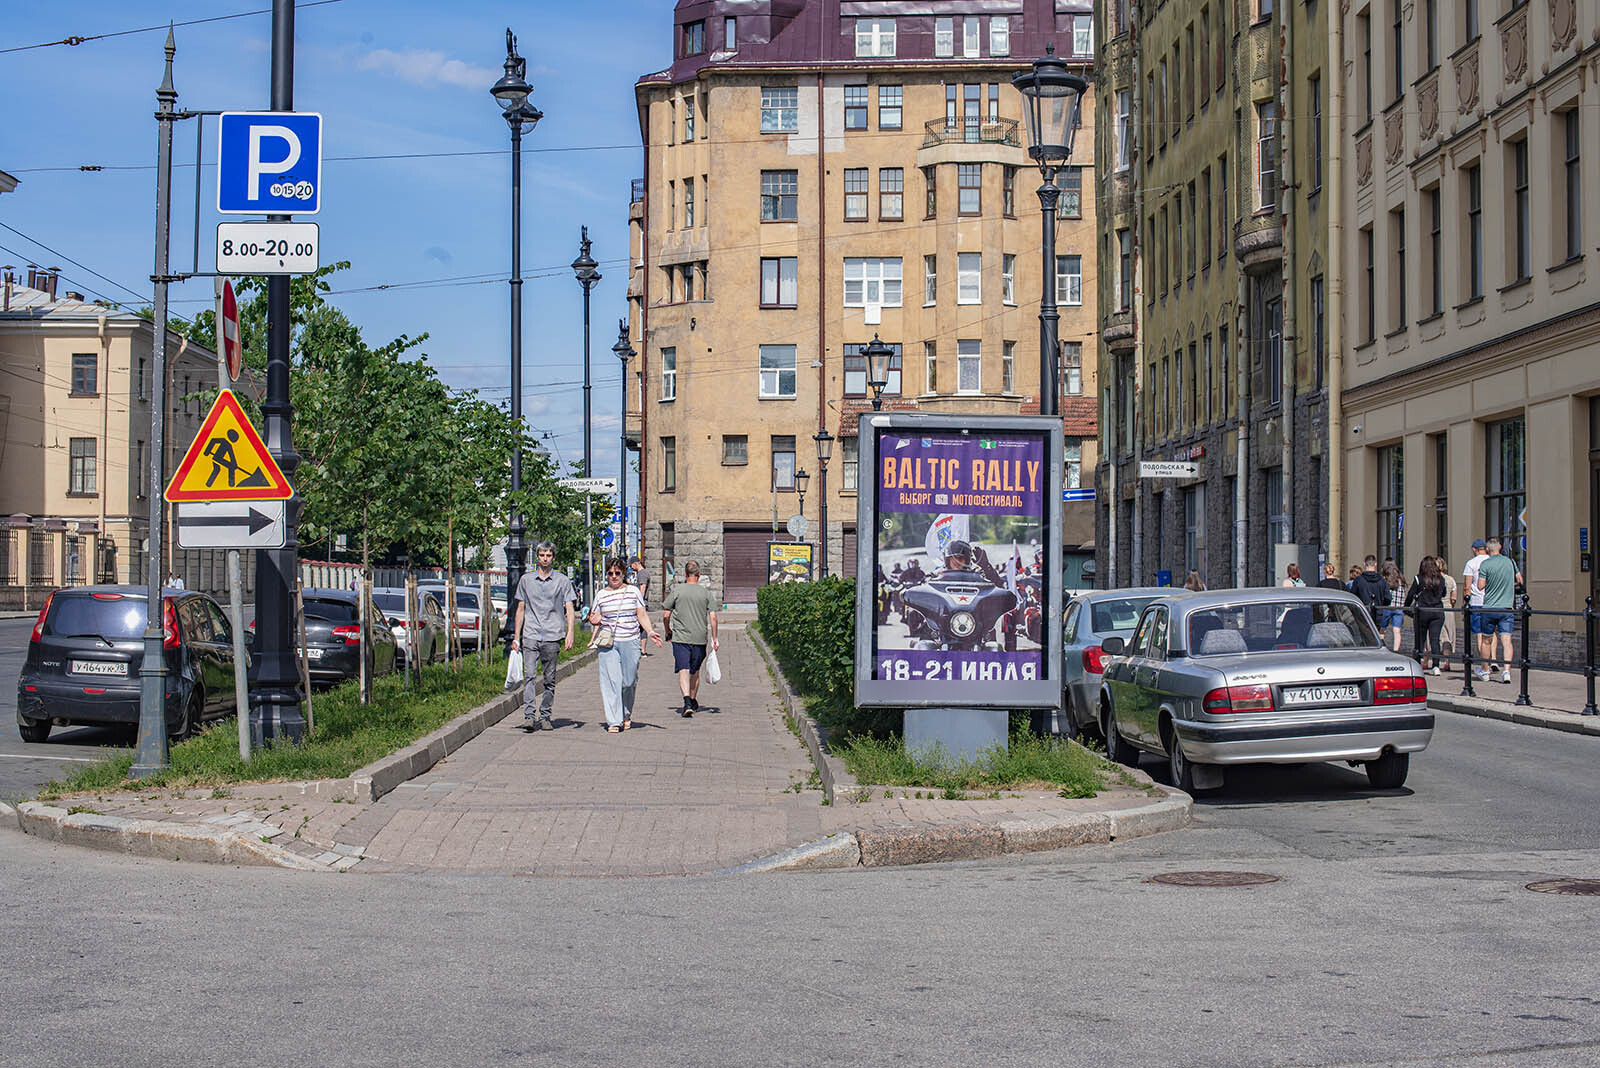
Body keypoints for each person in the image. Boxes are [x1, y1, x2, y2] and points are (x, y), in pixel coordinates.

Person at [590, 557, 663, 732]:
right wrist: (595, 619)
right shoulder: (601, 594)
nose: (614, 576)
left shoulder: (633, 591)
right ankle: (614, 721)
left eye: (617, 573)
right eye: (610, 573)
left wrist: (650, 631)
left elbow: (641, 614)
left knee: (629, 681)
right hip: (608, 643)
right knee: (611, 681)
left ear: (624, 574)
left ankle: (626, 713)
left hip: (630, 641)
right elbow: (593, 616)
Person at [511, 540, 576, 731]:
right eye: (542, 555)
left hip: (552, 635)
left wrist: (570, 632)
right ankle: (529, 716)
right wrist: (516, 637)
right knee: (529, 675)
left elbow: (569, 608)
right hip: (530, 634)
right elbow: (520, 609)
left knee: (549, 679)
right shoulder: (526, 580)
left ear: (553, 558)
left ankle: (546, 715)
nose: (545, 559)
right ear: (537, 558)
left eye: (548, 555)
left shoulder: (562, 581)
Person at [662, 560, 718, 717]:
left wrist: (668, 631)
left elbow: (666, 615)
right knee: (695, 671)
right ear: (699, 575)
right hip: (700, 638)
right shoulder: (706, 593)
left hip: (680, 638)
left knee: (683, 670)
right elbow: (713, 618)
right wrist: (715, 638)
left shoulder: (677, 591)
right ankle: (692, 700)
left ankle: (687, 701)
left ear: (685, 574)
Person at [1476, 537, 1523, 683]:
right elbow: (1520, 580)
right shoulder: (1510, 562)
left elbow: (1480, 586)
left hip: (1489, 607)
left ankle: (1484, 671)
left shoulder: (1485, 564)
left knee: (1486, 640)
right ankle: (1507, 671)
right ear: (1500, 547)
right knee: (1507, 640)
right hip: (1507, 607)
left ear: (1488, 549)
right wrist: (1509, 584)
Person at [1404, 555, 1446, 674]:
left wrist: (1406, 607)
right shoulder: (1440, 579)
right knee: (1435, 639)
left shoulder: (1419, 579)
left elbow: (1411, 594)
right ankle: (1436, 666)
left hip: (1422, 611)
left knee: (1420, 640)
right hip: (1437, 611)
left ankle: (1417, 664)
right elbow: (1444, 593)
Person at [1462, 539, 1490, 677]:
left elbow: (1467, 586)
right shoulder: (1491, 561)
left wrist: (1465, 602)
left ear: (1474, 549)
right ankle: (1492, 660)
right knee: (1492, 634)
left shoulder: (1471, 563)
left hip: (1477, 601)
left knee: (1479, 634)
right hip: (1491, 602)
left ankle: (1484, 664)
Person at [628, 556, 653, 656]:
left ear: (635, 563)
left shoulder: (642, 573)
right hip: (642, 603)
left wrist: (639, 603)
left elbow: (642, 588)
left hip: (641, 603)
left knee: (641, 626)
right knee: (640, 626)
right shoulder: (642, 573)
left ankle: (642, 650)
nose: (631, 567)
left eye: (631, 565)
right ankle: (640, 650)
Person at [1436, 556, 1458, 671]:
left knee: (1438, 635)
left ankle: (1432, 660)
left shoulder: (1433, 580)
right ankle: (1447, 661)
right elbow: (1454, 598)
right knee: (1449, 636)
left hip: (1437, 608)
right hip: (1448, 609)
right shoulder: (1451, 580)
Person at [1379, 561, 1406, 652]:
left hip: (1387, 607)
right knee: (1397, 631)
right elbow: (1403, 594)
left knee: (1382, 629)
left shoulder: (1385, 580)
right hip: (1399, 608)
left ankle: (1382, 647)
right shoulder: (1401, 580)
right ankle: (1396, 650)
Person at [1350, 555, 1389, 619]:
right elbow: (1388, 598)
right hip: (1378, 613)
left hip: (1362, 612)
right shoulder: (1382, 580)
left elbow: (1353, 596)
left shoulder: (1358, 580)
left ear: (1364, 564)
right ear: (1375, 564)